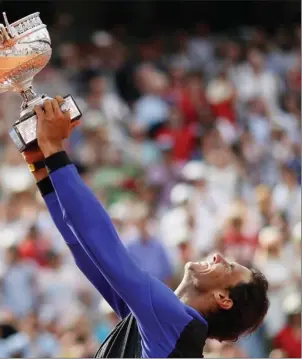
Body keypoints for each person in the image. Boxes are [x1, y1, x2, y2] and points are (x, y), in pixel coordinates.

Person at [22, 97, 269, 358]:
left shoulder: (176, 324)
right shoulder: (158, 324)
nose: (218, 257)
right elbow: (87, 251)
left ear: (223, 299)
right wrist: (42, 167)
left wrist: (54, 150)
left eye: (228, 267)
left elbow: (102, 243)